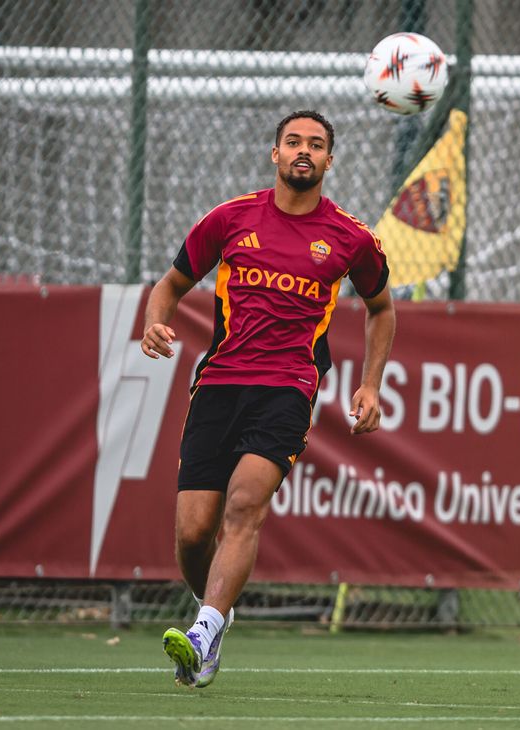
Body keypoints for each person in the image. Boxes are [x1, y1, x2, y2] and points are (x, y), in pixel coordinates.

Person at [140, 110, 395, 688]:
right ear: (274, 154)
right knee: (192, 533)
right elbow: (170, 285)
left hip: (288, 387)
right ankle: (217, 615)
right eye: (293, 142)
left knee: (244, 506)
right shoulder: (230, 219)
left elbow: (382, 308)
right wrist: (156, 321)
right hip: (219, 384)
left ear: (330, 160)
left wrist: (371, 383)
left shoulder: (351, 238)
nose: (304, 151)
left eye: (317, 144)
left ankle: (202, 634)